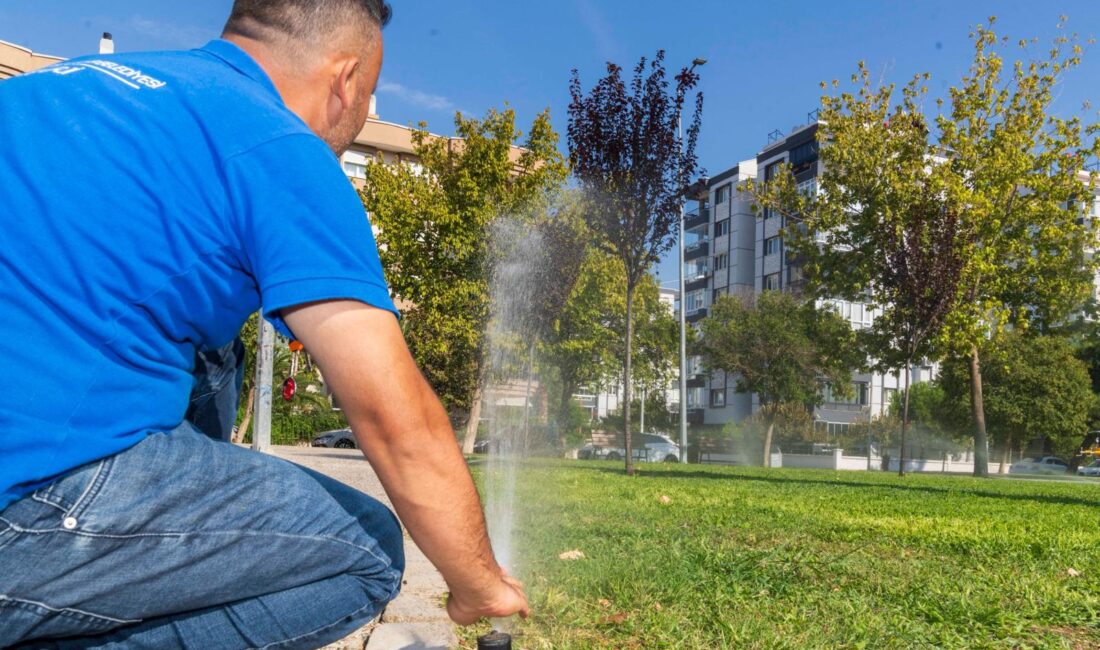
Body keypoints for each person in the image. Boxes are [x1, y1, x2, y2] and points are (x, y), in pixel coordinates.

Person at [0, 1, 528, 647]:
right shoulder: (280, 146)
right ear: (346, 79)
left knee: (219, 352)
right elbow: (396, 422)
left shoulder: (63, 84)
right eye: (369, 95)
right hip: (23, 503)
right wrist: (478, 583)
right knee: (363, 552)